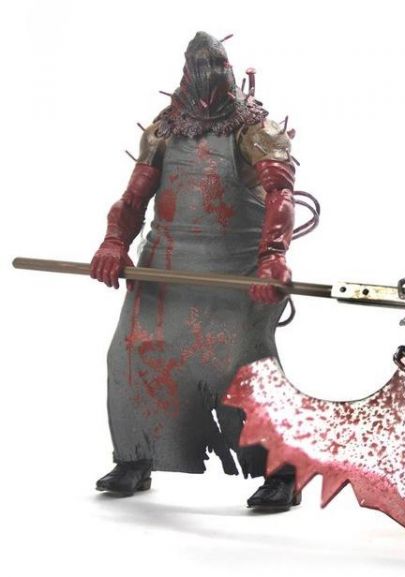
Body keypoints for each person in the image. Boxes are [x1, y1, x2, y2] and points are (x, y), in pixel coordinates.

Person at [90, 31, 300, 509]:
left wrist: (273, 256)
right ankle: (135, 457)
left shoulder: (257, 130)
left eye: (217, 69)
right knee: (130, 354)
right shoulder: (164, 131)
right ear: (185, 75)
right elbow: (133, 199)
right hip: (164, 267)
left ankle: (281, 473)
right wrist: (114, 241)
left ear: (230, 72)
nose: (208, 80)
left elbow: (280, 194)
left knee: (244, 366)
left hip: (237, 271)